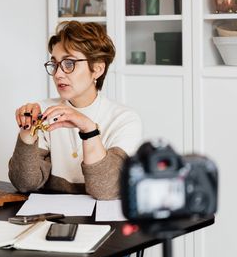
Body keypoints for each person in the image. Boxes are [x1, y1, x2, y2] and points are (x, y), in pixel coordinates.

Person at [8, 21, 142, 200]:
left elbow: (107, 190)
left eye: (69, 63)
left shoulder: (124, 119)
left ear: (97, 69)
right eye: (54, 64)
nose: (58, 74)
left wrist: (89, 130)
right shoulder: (44, 111)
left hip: (102, 223)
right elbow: (25, 183)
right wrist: (27, 132)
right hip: (52, 218)